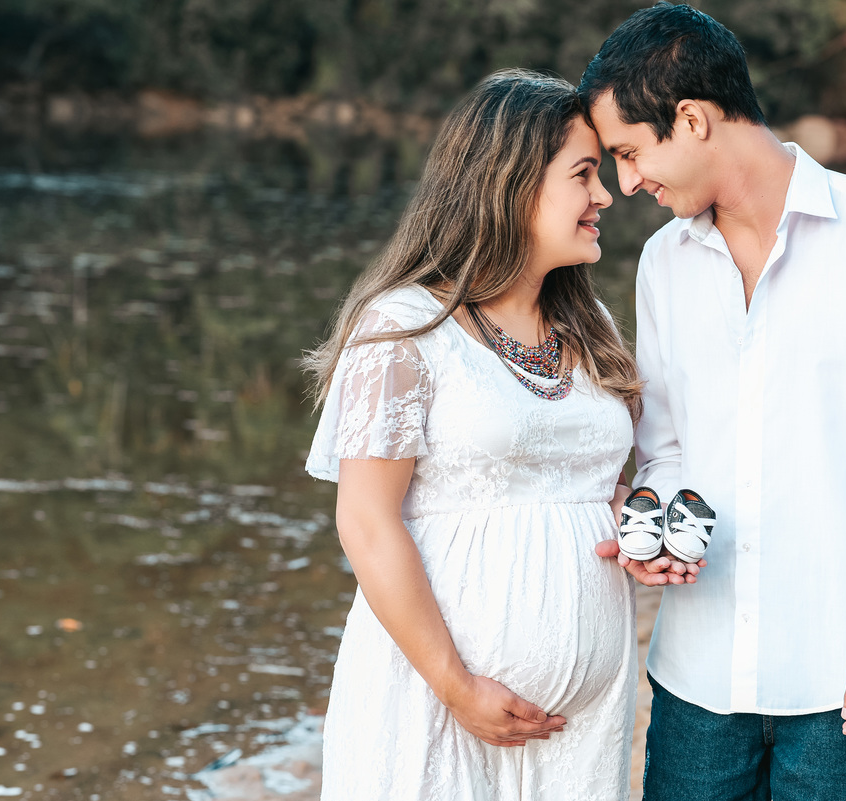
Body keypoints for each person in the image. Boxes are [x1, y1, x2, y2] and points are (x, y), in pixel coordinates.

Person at [581, 4, 846, 800]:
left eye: (629, 152)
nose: (625, 184)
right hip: (695, 685)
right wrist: (653, 526)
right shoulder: (663, 262)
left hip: (842, 675)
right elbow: (664, 448)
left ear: (690, 119)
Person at [304, 69, 644, 800]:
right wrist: (455, 684)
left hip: (581, 722)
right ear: (513, 183)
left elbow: (605, 483)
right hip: (435, 703)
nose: (605, 195)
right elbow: (365, 519)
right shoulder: (403, 328)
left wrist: (639, 519)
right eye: (584, 174)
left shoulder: (592, 328)